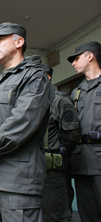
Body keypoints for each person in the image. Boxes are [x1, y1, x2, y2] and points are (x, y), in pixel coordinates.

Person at [0, 22, 55, 221]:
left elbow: (22, 122)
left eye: (0, 39)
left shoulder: (36, 76)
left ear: (19, 41)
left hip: (17, 179)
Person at [37, 62, 81, 222]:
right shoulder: (34, 101)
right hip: (35, 168)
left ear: (47, 77)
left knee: (56, 213)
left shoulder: (60, 101)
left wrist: (58, 153)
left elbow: (71, 134)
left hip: (53, 169)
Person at [68, 41, 101, 221]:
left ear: (90, 56)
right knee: (87, 213)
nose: (73, 63)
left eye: (76, 58)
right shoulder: (77, 92)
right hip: (82, 160)